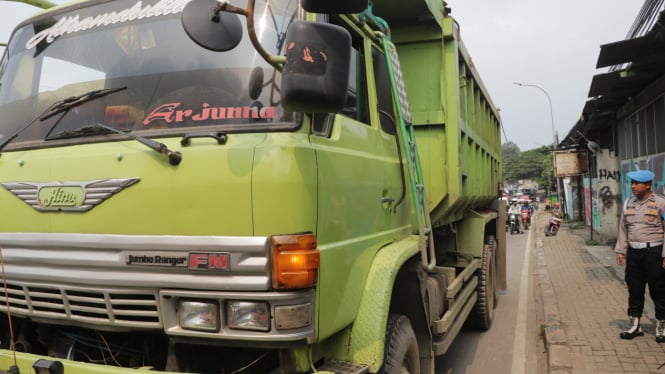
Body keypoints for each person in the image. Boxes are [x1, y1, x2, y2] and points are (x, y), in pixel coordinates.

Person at [615, 169, 665, 342]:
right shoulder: (629, 202)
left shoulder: (660, 202)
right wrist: (621, 250)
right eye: (632, 183)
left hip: (654, 253)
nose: (633, 186)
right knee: (634, 289)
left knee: (658, 290)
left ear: (648, 185)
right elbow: (623, 228)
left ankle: (661, 326)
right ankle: (635, 325)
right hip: (634, 254)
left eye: (637, 183)